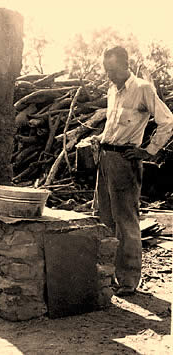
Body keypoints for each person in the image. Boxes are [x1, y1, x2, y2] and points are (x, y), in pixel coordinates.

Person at [91, 46, 173, 296]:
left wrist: (148, 151)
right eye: (107, 71)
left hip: (125, 162)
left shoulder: (142, 89)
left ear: (126, 65)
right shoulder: (112, 91)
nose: (110, 75)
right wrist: (100, 139)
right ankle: (106, 275)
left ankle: (128, 280)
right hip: (105, 158)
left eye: (113, 70)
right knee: (103, 217)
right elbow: (114, 125)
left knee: (126, 221)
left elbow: (167, 121)